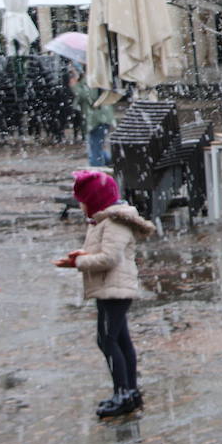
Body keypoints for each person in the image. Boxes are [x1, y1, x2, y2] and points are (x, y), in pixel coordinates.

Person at [55, 171, 156, 418]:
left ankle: (123, 392)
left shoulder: (114, 222)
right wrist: (81, 255)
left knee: (107, 340)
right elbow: (102, 251)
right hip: (109, 288)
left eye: (83, 201)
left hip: (115, 290)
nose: (80, 206)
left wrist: (79, 263)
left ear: (95, 200)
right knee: (120, 340)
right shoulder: (103, 221)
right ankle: (130, 392)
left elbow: (110, 258)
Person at [70, 65, 113, 167]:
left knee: (95, 150)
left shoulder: (92, 79)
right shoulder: (88, 79)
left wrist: (75, 86)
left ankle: (96, 173)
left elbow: (90, 97)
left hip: (98, 119)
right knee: (96, 148)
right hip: (97, 119)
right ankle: (113, 163)